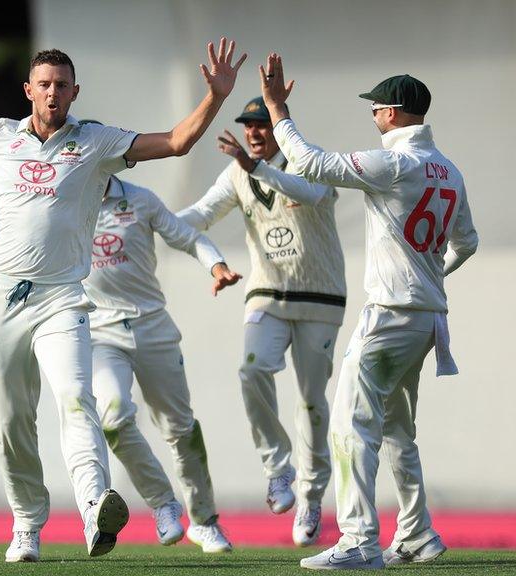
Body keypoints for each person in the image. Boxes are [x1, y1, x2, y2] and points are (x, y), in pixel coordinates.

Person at [0, 14, 246, 562]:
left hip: (65, 298)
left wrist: (215, 97)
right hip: (4, 296)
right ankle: (26, 528)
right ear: (28, 90)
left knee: (78, 400)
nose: (53, 92)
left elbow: (176, 142)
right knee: (11, 420)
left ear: (75, 92)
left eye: (63, 85)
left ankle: (92, 513)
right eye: (45, 83)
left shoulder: (98, 142)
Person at [258, 54, 478, 569]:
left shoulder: (395, 162)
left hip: (390, 315)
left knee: (349, 425)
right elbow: (466, 242)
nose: (373, 116)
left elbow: (311, 163)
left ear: (395, 114)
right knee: (398, 428)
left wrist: (276, 109)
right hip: (426, 319)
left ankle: (358, 539)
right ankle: (417, 533)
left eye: (377, 108)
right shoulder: (449, 170)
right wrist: (430, 277)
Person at [177, 96, 346, 546]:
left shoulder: (307, 161)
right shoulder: (237, 172)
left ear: (276, 127)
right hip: (266, 294)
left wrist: (256, 170)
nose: (253, 132)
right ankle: (278, 468)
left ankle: (311, 496)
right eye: (248, 125)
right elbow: (199, 215)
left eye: (261, 124)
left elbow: (308, 193)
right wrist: (148, 220)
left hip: (320, 298)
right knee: (251, 370)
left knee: (311, 401)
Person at [83, 170, 241, 553]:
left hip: (152, 325)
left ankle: (204, 521)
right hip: (101, 332)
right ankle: (163, 504)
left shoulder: (141, 199)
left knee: (180, 427)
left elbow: (187, 236)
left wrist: (216, 265)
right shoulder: (66, 201)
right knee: (113, 419)